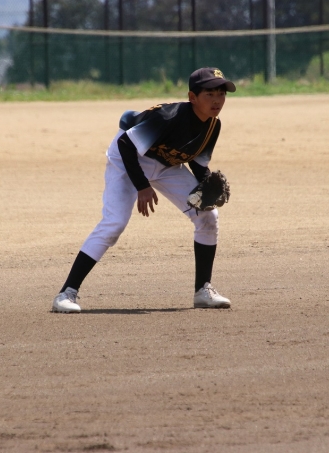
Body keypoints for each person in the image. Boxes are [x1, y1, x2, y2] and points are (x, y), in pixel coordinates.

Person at [51, 67, 236, 313]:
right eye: (209, 94)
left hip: (168, 166)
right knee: (115, 223)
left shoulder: (213, 125)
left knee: (208, 216)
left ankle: (203, 290)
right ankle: (66, 293)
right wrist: (143, 186)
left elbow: (197, 162)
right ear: (192, 97)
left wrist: (207, 184)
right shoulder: (169, 117)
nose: (217, 100)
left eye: (221, 94)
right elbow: (125, 143)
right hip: (128, 159)